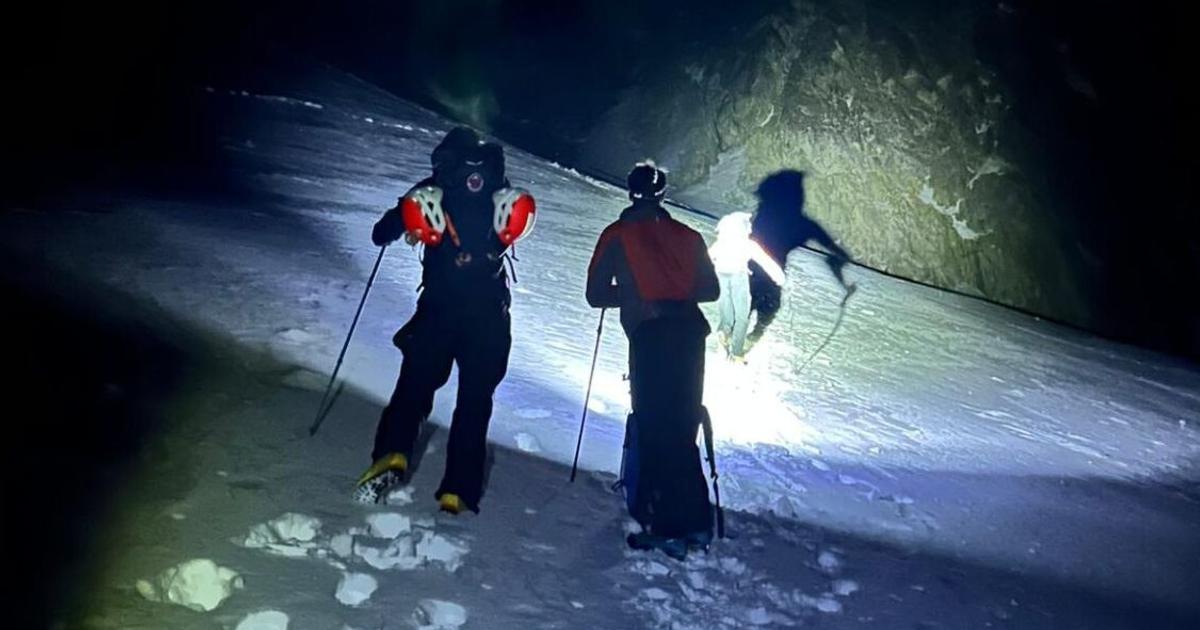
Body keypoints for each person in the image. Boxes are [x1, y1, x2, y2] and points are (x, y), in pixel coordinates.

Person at [356, 127, 534, 514]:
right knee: (475, 401)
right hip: (489, 312)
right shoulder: (498, 187)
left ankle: (392, 454)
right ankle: (458, 490)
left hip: (440, 306)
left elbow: (380, 235)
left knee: (415, 386)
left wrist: (404, 217)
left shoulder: (437, 184)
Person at [586, 160, 719, 558]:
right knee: (683, 424)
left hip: (650, 335)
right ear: (663, 194)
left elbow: (595, 295)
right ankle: (696, 522)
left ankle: (663, 525)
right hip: (691, 335)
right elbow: (710, 290)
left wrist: (631, 295)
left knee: (655, 426)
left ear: (631, 191)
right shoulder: (689, 235)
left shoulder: (616, 234)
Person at [748, 170, 853, 344]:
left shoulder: (766, 215)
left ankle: (740, 343)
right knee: (767, 308)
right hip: (766, 277)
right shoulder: (793, 221)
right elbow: (818, 235)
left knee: (752, 308)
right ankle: (748, 341)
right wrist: (840, 256)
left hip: (750, 273)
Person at [708, 211, 785, 362]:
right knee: (742, 316)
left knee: (727, 312)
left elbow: (706, 258)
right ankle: (736, 353)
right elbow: (765, 261)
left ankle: (723, 333)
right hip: (738, 278)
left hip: (721, 277)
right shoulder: (748, 244)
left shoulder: (721, 243)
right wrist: (779, 278)